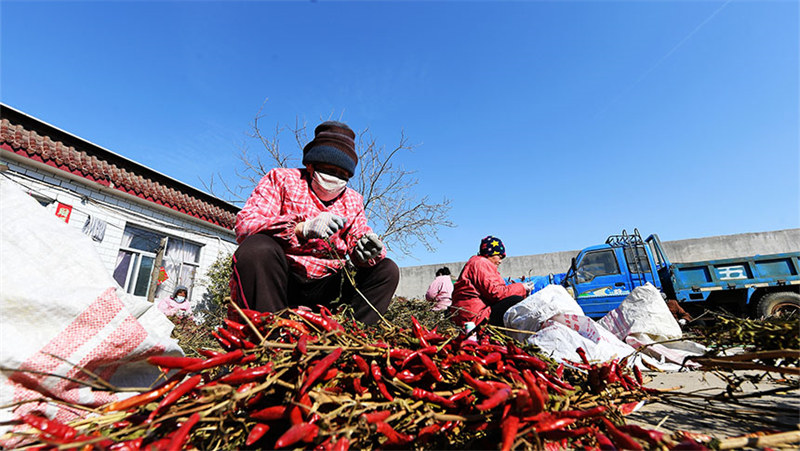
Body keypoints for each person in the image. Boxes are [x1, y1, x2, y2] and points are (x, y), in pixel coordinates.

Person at [231, 121, 400, 325]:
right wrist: (300, 228)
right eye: (329, 170)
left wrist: (366, 250)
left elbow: (359, 234)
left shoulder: (353, 200)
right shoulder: (281, 180)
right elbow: (245, 225)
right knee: (256, 248)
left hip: (328, 286)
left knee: (387, 270)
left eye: (343, 175)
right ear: (311, 166)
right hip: (281, 279)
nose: (335, 179)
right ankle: (270, 333)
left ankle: (351, 337)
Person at [449, 236, 532, 327]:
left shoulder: (475, 263)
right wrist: (522, 288)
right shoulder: (481, 263)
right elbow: (496, 293)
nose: (500, 261)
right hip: (475, 318)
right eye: (499, 257)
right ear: (490, 253)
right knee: (515, 300)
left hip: (467, 316)